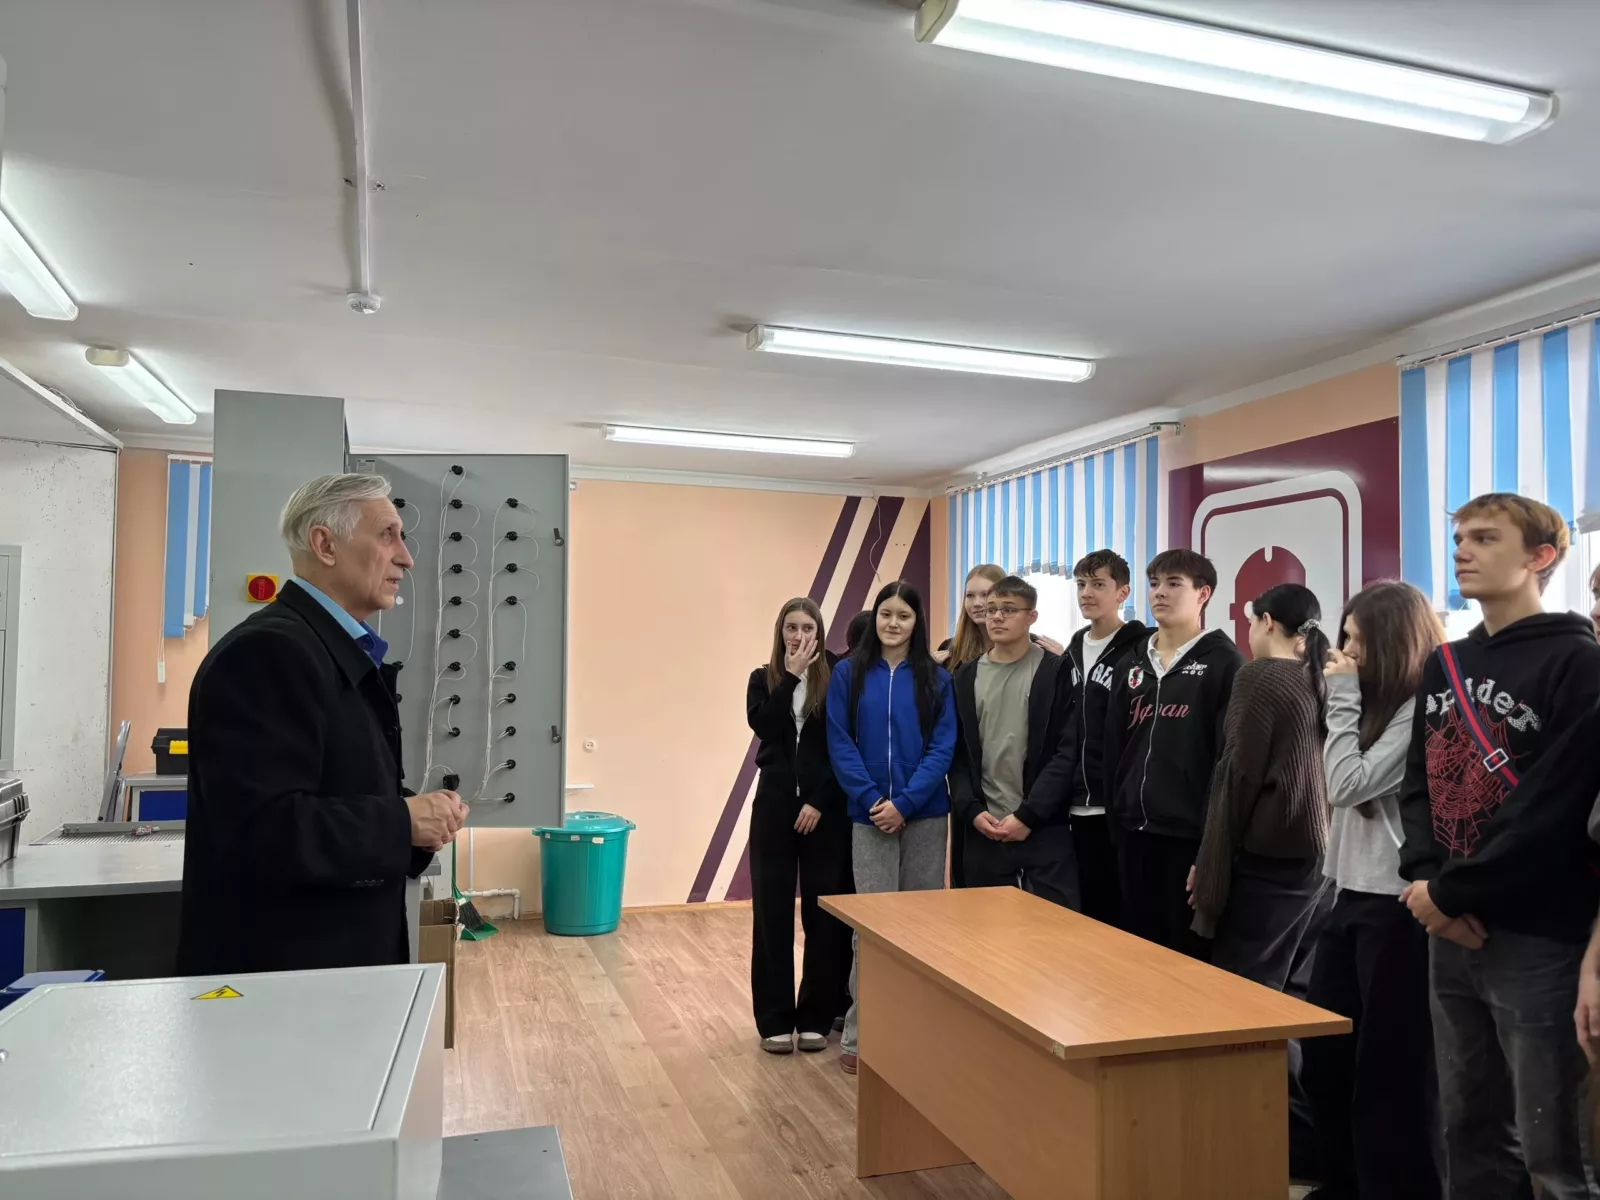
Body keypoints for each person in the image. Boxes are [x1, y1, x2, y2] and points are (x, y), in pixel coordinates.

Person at [178, 473, 469, 976]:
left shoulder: (327, 651)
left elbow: (335, 789)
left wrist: (417, 822)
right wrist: (401, 822)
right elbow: (260, 830)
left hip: (332, 971)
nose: (406, 557)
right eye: (387, 535)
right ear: (325, 544)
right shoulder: (268, 653)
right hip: (284, 980)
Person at [1397, 493, 1600, 1200]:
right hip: (1447, 924)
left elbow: (1555, 806)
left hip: (1537, 933)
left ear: (1540, 557)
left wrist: (1452, 893)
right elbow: (1421, 782)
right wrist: (1427, 883)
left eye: (1484, 539)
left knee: (1553, 1149)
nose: (1462, 551)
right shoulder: (1445, 662)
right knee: (1468, 1127)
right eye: (1460, 538)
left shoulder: (1578, 661)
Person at [1301, 581, 1443, 1200]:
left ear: (1391, 643)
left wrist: (1340, 699)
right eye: (1345, 638)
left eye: (1358, 641)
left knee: (1389, 1076)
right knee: (1325, 1062)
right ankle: (1342, 1183)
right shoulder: (1368, 704)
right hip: (1347, 896)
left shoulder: (1418, 709)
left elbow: (1345, 784)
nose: (1346, 652)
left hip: (1396, 906)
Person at [827, 580, 956, 1075]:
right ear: (875, 618)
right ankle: (862, 1036)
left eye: (904, 615)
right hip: (869, 817)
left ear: (916, 622)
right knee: (874, 928)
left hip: (925, 816)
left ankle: (916, 1034)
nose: (893, 623)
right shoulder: (848, 674)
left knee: (921, 927)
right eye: (886, 614)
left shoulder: (936, 679)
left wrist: (905, 802)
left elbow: (942, 748)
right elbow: (840, 743)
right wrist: (874, 800)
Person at [1189, 582, 1331, 986]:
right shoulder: (1322, 677)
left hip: (1271, 862)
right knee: (1294, 990)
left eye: (1250, 622)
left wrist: (1209, 870)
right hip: (1323, 866)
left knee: (1245, 991)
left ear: (1266, 622)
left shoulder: (1260, 675)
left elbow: (1236, 778)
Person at [1102, 548, 1243, 956]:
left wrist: (1210, 849)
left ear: (1203, 593)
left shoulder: (1225, 664)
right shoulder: (1131, 662)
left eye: (1174, 583)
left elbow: (1226, 762)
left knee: (1181, 957)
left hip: (1187, 838)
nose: (1159, 592)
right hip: (1132, 833)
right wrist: (1116, 820)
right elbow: (1113, 749)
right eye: (1154, 584)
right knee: (1133, 952)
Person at [746, 598, 853, 1055]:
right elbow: (764, 727)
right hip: (772, 809)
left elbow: (842, 746)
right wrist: (789, 675)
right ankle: (774, 1019)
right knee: (771, 913)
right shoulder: (763, 678)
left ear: (820, 632)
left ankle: (814, 1017)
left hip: (822, 812)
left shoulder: (837, 677)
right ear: (781, 632)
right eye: (791, 627)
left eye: (808, 627)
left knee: (822, 916)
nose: (799, 635)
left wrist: (817, 801)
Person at [947, 576, 1079, 907]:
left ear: (1031, 616)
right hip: (984, 828)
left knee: (1052, 929)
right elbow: (958, 755)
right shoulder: (965, 676)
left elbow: (1066, 753)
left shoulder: (1056, 671)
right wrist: (971, 810)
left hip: (1043, 828)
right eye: (991, 609)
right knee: (983, 931)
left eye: (1008, 610)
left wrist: (1029, 816)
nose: (996, 617)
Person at [1060, 550, 1147, 926]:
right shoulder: (1073, 648)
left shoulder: (1140, 648)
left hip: (1117, 809)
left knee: (1121, 916)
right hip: (1073, 806)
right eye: (1081, 584)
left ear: (1122, 592)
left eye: (1098, 584)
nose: (1086, 593)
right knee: (1084, 915)